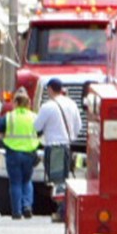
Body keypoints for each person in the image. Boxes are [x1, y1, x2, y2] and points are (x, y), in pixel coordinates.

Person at [34, 78, 82, 222]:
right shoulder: (71, 104)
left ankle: (62, 212)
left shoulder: (47, 106)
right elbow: (78, 126)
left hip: (54, 146)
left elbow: (37, 126)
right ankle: (65, 211)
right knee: (64, 179)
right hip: (67, 146)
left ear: (50, 89)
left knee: (58, 182)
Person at [0, 87, 40, 220]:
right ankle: (27, 206)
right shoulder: (34, 117)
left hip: (13, 153)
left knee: (15, 183)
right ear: (28, 102)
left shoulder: (10, 117)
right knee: (27, 181)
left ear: (15, 102)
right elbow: (40, 133)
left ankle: (16, 211)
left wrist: (5, 138)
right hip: (29, 153)